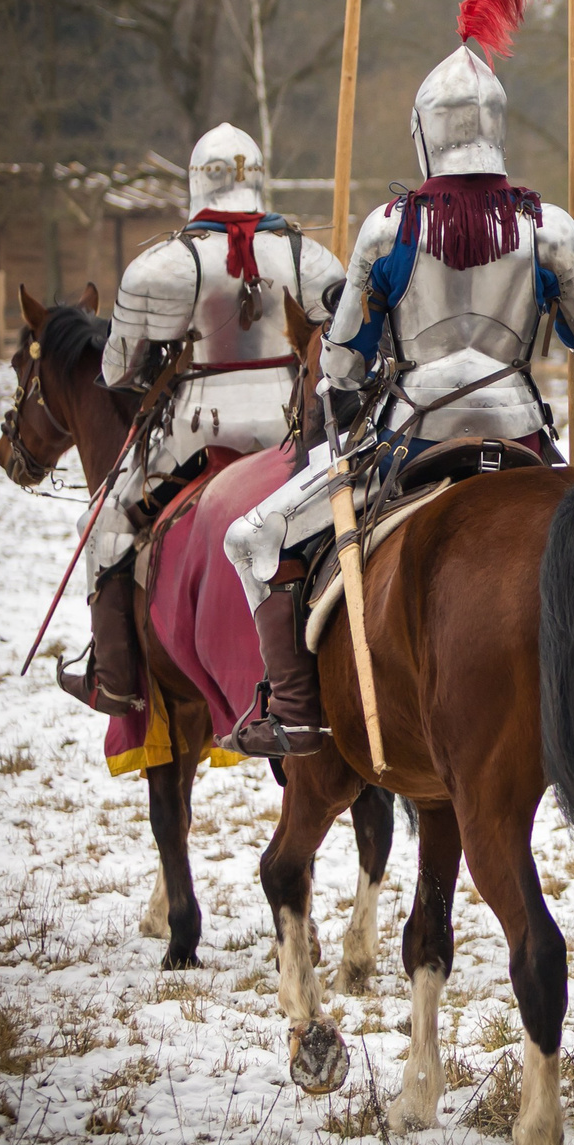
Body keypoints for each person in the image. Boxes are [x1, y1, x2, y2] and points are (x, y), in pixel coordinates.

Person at [221, 0, 574, 758]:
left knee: (254, 537)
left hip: (410, 440)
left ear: (424, 132)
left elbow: (338, 372)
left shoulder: (388, 227)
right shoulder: (550, 226)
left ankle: (296, 710)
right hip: (522, 437)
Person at [62, 124, 347, 718]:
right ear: (259, 180)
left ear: (197, 184)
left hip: (197, 434)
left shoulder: (163, 266)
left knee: (105, 518)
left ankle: (114, 679)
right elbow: (342, 352)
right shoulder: (307, 256)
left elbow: (118, 371)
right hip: (293, 430)